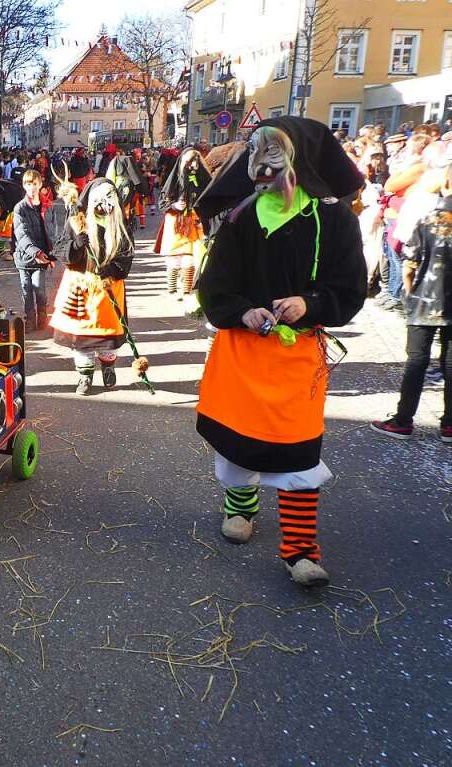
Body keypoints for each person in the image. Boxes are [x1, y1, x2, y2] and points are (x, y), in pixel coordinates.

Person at [194, 117, 367, 587]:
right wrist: (242, 311)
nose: (259, 166)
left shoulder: (333, 219)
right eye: (254, 153)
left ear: (299, 161)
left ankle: (299, 550)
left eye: (272, 154)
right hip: (241, 355)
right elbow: (213, 286)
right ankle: (241, 507)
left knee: (298, 455)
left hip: (296, 361)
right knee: (238, 443)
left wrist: (308, 303)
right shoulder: (240, 217)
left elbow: (349, 290)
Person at [370, 162, 452, 443]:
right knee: (450, 362)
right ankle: (449, 425)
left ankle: (403, 420)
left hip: (425, 299)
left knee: (417, 360)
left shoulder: (429, 219)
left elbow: (409, 263)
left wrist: (408, 293)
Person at [49, 177, 134, 395]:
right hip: (81, 288)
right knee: (82, 340)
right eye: (99, 202)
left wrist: (113, 269)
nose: (103, 207)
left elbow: (126, 256)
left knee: (106, 339)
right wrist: (76, 245)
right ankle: (85, 377)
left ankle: (108, 366)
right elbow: (60, 251)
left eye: (108, 202)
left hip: (108, 289)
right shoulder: (77, 222)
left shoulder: (120, 225)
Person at [156, 148, 211, 298]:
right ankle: (172, 288)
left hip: (194, 221)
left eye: (196, 161)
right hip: (175, 222)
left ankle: (186, 290)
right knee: (174, 257)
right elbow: (163, 201)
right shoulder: (174, 179)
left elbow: (210, 199)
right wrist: (173, 205)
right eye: (189, 162)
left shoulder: (203, 178)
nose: (193, 165)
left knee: (190, 257)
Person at [12, 169, 55, 331]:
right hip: (25, 257)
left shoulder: (47, 205)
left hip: (42, 258)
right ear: (24, 185)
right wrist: (35, 252)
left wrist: (51, 255)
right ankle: (29, 319)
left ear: (40, 184)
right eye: (28, 184)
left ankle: (42, 316)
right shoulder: (20, 208)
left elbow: (52, 232)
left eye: (34, 184)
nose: (32, 187)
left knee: (40, 289)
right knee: (26, 291)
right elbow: (21, 234)